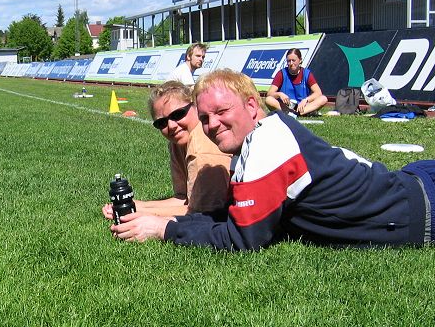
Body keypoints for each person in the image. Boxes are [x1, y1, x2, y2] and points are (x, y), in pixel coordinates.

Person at [111, 69, 435, 250]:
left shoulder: (267, 144)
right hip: (411, 178)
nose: (212, 125)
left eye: (222, 112)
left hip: (421, 205)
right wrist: (168, 221)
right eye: (206, 117)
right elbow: (227, 217)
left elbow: (243, 238)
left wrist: (163, 230)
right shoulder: (252, 144)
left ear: (252, 107)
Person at [102, 81, 231, 221]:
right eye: (161, 123)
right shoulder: (177, 142)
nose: (171, 126)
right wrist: (137, 206)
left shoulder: (201, 148)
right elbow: (183, 198)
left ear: (195, 107)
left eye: (178, 114)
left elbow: (201, 213)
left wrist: (138, 214)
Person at [265, 48, 328, 116]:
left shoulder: (307, 74)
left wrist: (306, 100)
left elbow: (318, 93)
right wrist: (280, 94)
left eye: (293, 60)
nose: (291, 63)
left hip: (303, 106)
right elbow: (270, 94)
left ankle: (296, 113)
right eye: (289, 61)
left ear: (300, 60)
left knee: (323, 99)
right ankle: (300, 113)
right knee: (268, 100)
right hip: (287, 106)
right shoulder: (281, 74)